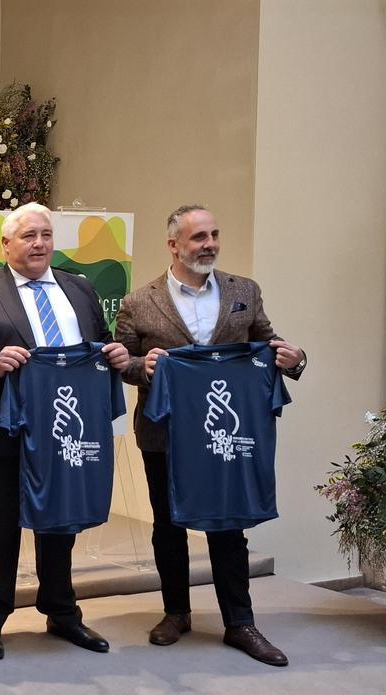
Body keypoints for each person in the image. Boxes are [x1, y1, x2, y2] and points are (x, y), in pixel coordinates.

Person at [115, 204, 306, 666]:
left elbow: (269, 341)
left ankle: (240, 622)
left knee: (228, 524)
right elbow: (123, 363)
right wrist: (146, 368)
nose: (210, 245)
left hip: (226, 430)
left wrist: (295, 358)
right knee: (168, 523)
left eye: (215, 235)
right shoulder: (139, 301)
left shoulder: (245, 291)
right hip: (166, 433)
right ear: (174, 245)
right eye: (199, 237)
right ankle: (176, 612)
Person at [0, 203, 129, 661]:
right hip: (4, 429)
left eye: (46, 235)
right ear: (6, 244)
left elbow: (97, 346)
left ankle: (61, 612)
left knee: (62, 522)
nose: (39, 244)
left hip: (66, 428)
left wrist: (114, 356)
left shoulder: (80, 288)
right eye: (28, 236)